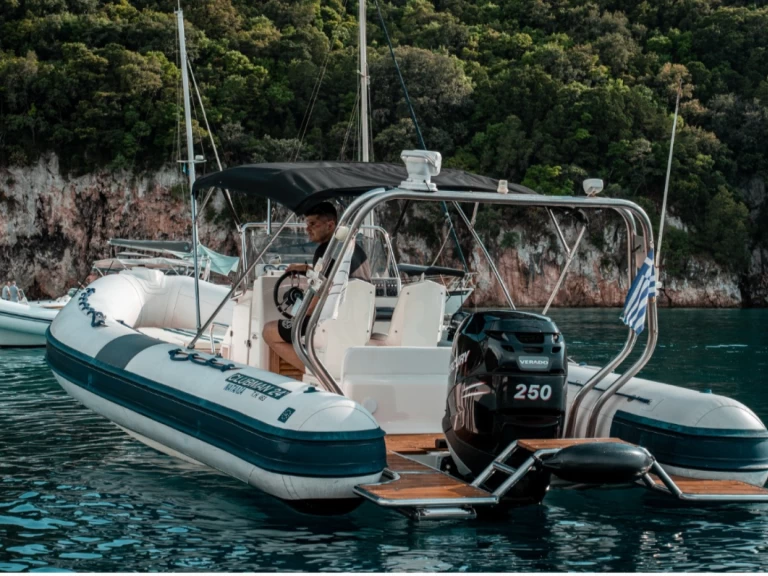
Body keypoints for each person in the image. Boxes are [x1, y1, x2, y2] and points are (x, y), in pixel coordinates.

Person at [262, 202, 371, 372]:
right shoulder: (354, 250)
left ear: (330, 225)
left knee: (269, 331)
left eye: (313, 224)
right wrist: (306, 269)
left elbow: (320, 294)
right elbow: (334, 278)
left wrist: (298, 317)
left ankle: (314, 371)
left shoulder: (325, 251)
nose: (307, 229)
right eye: (307, 224)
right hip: (354, 323)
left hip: (327, 324)